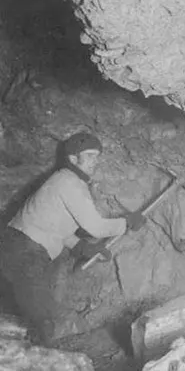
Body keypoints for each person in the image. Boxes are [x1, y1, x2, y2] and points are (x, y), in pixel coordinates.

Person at [0, 132, 144, 340]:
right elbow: (96, 227)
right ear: (73, 158)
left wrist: (82, 247)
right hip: (26, 252)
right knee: (43, 320)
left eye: (97, 155)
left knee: (24, 314)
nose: (96, 161)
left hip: (17, 247)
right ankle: (38, 367)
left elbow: (56, 228)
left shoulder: (64, 180)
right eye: (90, 155)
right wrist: (127, 223)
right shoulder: (69, 183)